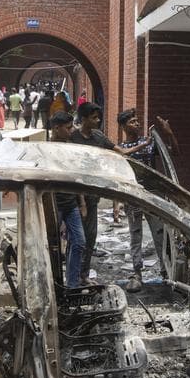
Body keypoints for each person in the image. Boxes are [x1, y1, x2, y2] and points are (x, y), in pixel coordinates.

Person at [116, 109, 178, 291]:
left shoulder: (149, 143)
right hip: (133, 196)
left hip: (153, 196)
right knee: (135, 235)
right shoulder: (121, 147)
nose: (136, 124)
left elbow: (174, 153)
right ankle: (137, 273)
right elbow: (119, 172)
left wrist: (169, 134)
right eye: (132, 121)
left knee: (159, 234)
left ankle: (165, 272)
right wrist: (117, 203)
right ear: (122, 126)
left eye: (137, 120)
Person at [69, 102, 115, 283]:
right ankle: (72, 276)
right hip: (75, 198)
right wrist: (81, 202)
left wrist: (143, 146)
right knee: (76, 239)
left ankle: (84, 274)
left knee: (90, 237)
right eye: (94, 118)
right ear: (84, 119)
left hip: (93, 197)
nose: (98, 121)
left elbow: (118, 152)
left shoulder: (98, 137)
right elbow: (73, 172)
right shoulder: (73, 138)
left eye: (98, 117)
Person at [49, 111, 85, 288]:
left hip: (71, 205)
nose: (72, 131)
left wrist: (82, 202)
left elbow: (76, 176)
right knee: (52, 247)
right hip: (54, 205)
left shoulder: (71, 148)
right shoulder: (45, 149)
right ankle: (54, 284)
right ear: (57, 128)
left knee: (79, 242)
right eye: (68, 128)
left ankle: (72, 285)